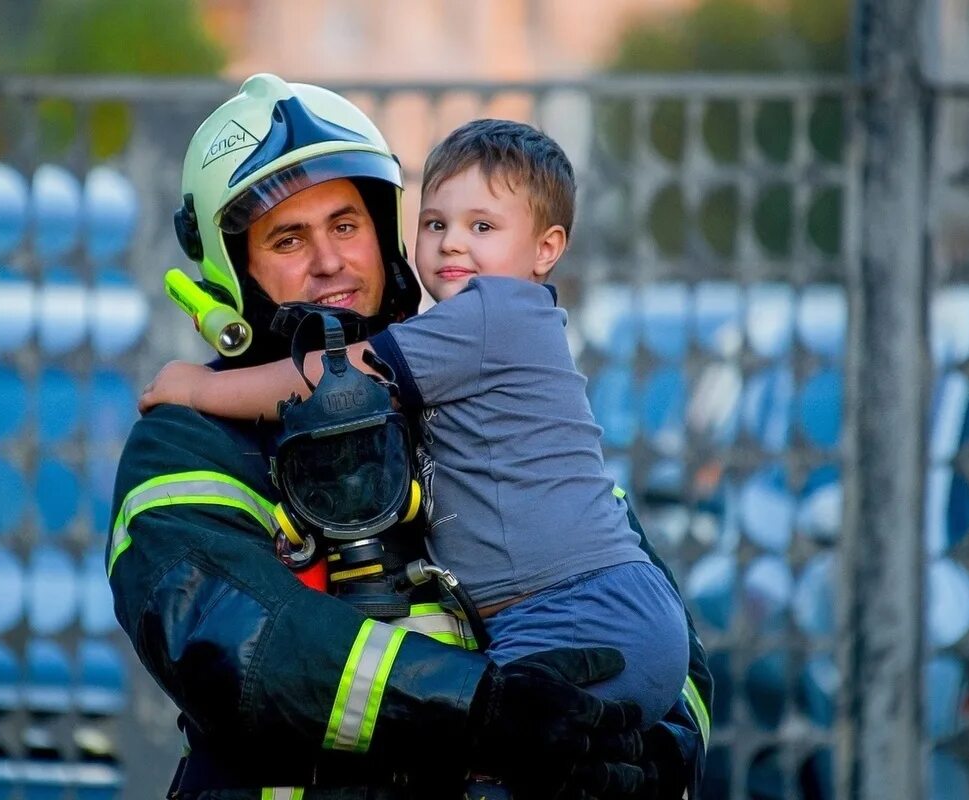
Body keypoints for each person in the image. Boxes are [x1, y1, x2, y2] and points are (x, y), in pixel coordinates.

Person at [107, 73, 712, 799]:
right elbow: (232, 642)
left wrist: (654, 752)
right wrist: (476, 706)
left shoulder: (481, 394)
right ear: (235, 267)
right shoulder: (190, 440)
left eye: (345, 225)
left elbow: (654, 619)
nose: (328, 261)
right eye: (288, 238)